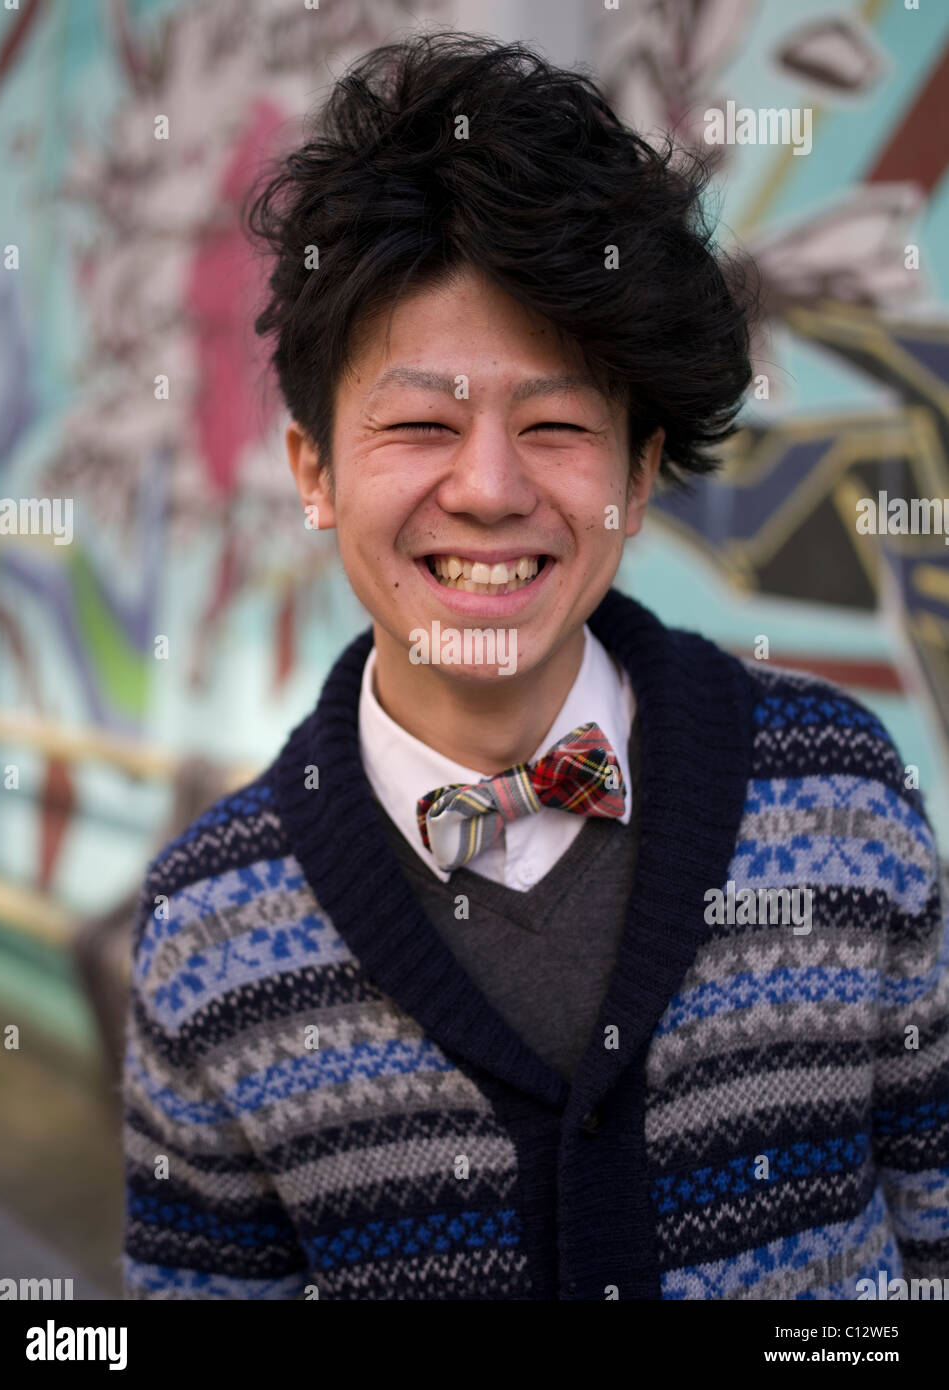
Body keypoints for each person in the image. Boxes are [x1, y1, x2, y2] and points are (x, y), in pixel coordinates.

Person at [121, 30, 949, 1300]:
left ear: (633, 474)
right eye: (421, 425)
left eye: (557, 423)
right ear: (313, 475)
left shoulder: (838, 792)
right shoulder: (209, 927)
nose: (490, 488)